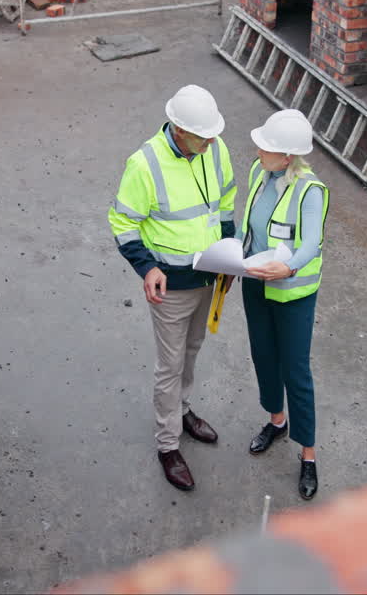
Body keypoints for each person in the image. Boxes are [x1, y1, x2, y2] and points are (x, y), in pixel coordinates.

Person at [107, 84, 237, 492]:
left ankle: (182, 411)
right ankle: (168, 445)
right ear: (178, 130)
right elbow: (123, 223)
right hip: (171, 286)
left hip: (210, 276)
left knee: (193, 349)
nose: (211, 141)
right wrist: (146, 268)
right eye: (202, 136)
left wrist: (230, 254)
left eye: (213, 134)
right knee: (171, 364)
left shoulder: (214, 148)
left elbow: (226, 202)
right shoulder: (144, 164)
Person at [237, 109, 329, 500]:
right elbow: (249, 227)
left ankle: (308, 455)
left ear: (287, 156)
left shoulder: (311, 192)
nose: (258, 150)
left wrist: (287, 267)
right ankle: (276, 421)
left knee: (296, 371)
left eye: (266, 148)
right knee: (263, 356)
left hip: (292, 295)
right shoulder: (260, 175)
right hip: (255, 284)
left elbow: (311, 243)